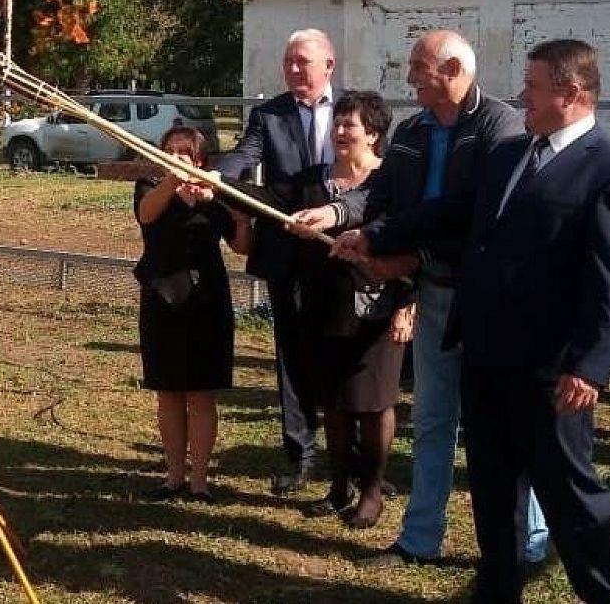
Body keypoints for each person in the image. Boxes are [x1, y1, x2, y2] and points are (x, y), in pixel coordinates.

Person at [331, 39, 610, 602]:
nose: (521, 92)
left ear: (570, 93)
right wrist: (373, 234)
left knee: (571, 495)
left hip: (551, 373)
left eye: (534, 84)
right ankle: (497, 587)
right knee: (493, 489)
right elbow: (449, 212)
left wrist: (590, 367)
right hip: (484, 354)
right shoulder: (514, 153)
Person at [292, 30, 550, 566]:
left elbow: (476, 212)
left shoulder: (499, 129)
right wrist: (336, 214)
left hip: (486, 303)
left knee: (503, 427)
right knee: (432, 421)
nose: (409, 79)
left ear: (452, 70)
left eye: (418, 68)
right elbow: (378, 194)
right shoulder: (411, 131)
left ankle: (529, 545)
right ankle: (420, 541)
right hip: (433, 297)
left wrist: (405, 253)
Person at [276, 91, 414, 528]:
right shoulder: (312, 181)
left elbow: (413, 246)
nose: (338, 132)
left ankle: (371, 490)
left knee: (372, 403)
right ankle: (339, 487)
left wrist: (408, 306)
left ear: (372, 134)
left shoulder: (391, 182)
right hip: (323, 308)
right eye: (336, 124)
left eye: (348, 125)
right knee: (334, 402)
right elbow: (267, 204)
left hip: (378, 309)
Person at [215, 28, 338, 494]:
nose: (291, 69)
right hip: (287, 249)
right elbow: (244, 157)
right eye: (287, 61)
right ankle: (301, 454)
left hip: (340, 248)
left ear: (329, 65)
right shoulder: (269, 116)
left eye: (301, 61)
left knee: (345, 353)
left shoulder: (351, 109)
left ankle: (355, 459)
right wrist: (215, 175)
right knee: (293, 354)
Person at [133, 126, 253, 502]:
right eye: (168, 151)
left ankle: (199, 481)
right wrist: (172, 181)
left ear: (200, 161)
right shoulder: (150, 186)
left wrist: (237, 212)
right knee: (168, 391)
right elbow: (147, 215)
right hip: (162, 300)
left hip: (206, 302)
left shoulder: (214, 197)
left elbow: (242, 245)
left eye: (184, 154)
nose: (175, 158)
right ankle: (173, 477)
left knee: (201, 394)